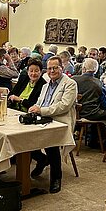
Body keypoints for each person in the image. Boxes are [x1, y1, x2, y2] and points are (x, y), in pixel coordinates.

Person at [29, 56, 78, 194]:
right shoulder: (45, 85)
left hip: (60, 121)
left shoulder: (70, 84)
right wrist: (35, 108)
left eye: (55, 68)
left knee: (51, 144)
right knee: (23, 137)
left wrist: (42, 110)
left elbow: (64, 106)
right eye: (49, 68)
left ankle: (56, 178)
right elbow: (40, 102)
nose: (52, 71)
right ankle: (42, 159)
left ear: (62, 68)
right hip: (43, 118)